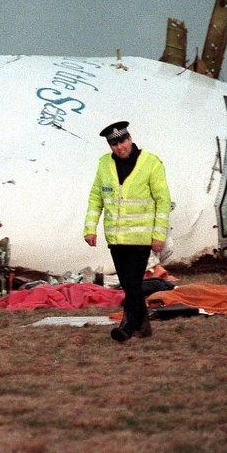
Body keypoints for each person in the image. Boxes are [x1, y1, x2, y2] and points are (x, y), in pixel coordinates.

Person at [83, 121, 171, 343]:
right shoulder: (104, 164)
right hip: (116, 238)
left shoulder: (151, 163)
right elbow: (96, 198)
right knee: (130, 285)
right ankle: (144, 326)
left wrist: (158, 235)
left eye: (122, 141)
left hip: (140, 238)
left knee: (132, 284)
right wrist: (89, 229)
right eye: (114, 144)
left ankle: (128, 327)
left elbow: (163, 200)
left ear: (130, 139)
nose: (119, 147)